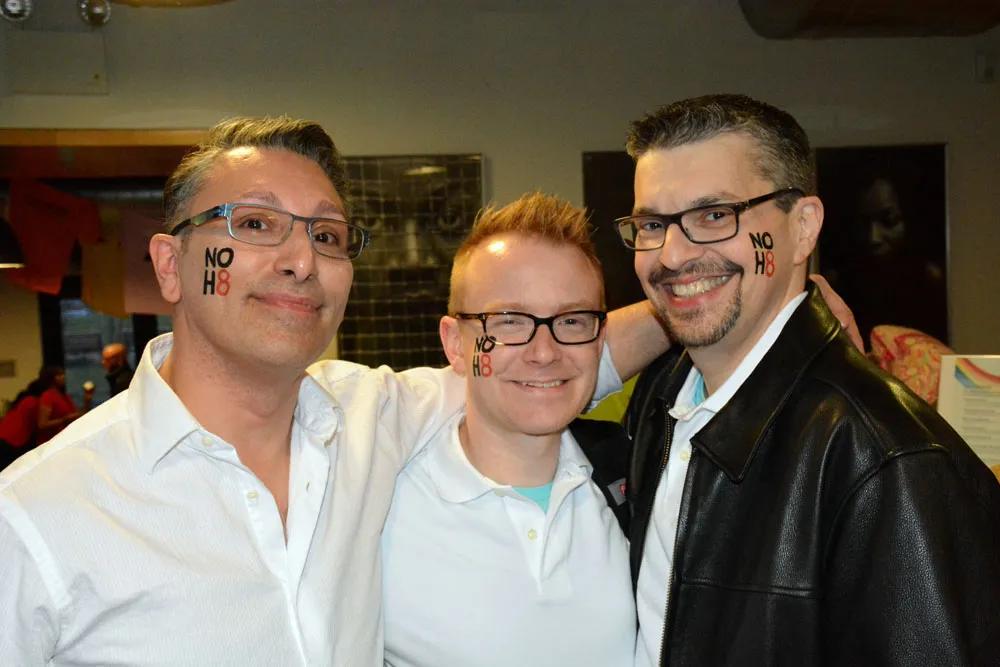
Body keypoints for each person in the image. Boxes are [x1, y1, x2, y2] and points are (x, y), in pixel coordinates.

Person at [0, 117, 659, 666]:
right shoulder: (38, 510)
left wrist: (687, 301)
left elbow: (546, 368)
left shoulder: (368, 418)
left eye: (326, 235)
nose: (301, 259)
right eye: (255, 223)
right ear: (170, 266)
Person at [615, 94, 1000, 667]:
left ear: (802, 228)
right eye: (653, 224)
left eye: (714, 216)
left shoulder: (886, 460)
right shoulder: (663, 399)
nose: (671, 256)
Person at [382, 193, 650, 667]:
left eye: (572, 320)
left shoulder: (638, 483)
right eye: (508, 322)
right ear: (455, 345)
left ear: (599, 340)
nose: (544, 352)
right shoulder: (381, 505)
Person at [36, 365, 92, 444]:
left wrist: (86, 400)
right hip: (52, 442)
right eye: (59, 375)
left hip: (66, 439)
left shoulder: (65, 396)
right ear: (51, 378)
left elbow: (78, 415)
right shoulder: (47, 396)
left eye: (63, 374)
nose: (63, 377)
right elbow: (42, 424)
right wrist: (64, 420)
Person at [0, 378, 47, 469]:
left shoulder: (23, 400)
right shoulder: (33, 401)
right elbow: (40, 424)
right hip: (13, 440)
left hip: (4, 435)